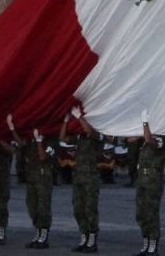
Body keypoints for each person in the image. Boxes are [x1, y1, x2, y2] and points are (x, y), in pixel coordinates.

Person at [8, 115, 55, 249]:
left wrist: (40, 141)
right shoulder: (31, 141)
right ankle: (38, 231)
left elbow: (42, 157)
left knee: (43, 207)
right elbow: (21, 144)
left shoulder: (51, 141)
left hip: (44, 178)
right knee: (32, 206)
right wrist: (12, 128)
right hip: (32, 178)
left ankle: (44, 234)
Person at [61, 107, 102, 253]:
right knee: (78, 209)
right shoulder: (79, 137)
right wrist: (66, 121)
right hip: (78, 177)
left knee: (90, 209)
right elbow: (63, 138)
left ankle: (92, 239)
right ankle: (84, 237)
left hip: (91, 177)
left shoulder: (96, 134)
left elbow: (90, 131)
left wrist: (79, 117)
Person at [135, 110, 165, 255]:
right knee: (141, 213)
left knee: (151, 213)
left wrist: (145, 122)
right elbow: (130, 139)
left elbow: (149, 139)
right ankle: (146, 242)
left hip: (153, 181)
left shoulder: (161, 139)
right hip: (142, 180)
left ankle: (153, 245)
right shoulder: (144, 142)